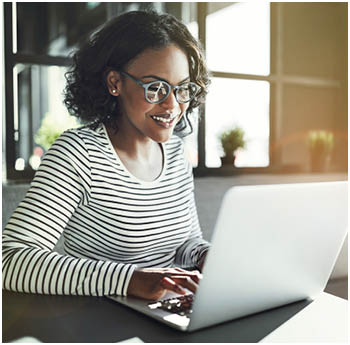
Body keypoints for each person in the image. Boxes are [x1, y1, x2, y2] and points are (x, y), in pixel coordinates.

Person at [2, 10, 211, 301]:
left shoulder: (175, 153)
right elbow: (10, 261)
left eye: (182, 89)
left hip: (168, 311)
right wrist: (129, 280)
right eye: (155, 88)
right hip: (98, 320)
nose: (172, 105)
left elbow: (184, 243)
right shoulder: (77, 153)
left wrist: (208, 256)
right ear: (115, 82)